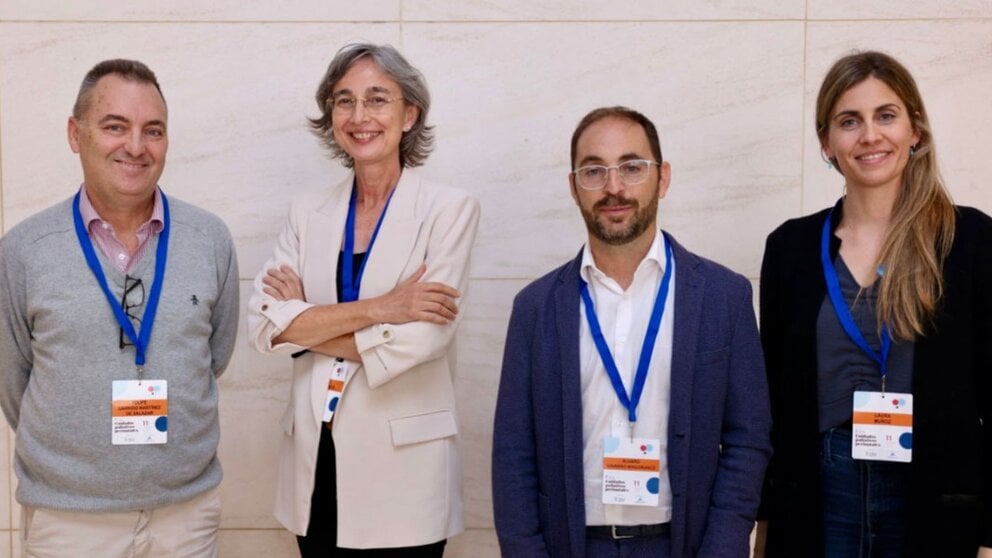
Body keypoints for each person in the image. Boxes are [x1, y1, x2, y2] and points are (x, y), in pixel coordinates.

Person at [492, 106, 772, 557]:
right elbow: (513, 452)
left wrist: (723, 547)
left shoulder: (724, 297)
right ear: (573, 187)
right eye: (594, 171)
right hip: (574, 546)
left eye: (631, 167)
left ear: (662, 178)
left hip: (683, 544)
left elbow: (748, 438)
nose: (614, 187)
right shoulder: (536, 308)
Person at [0, 59, 239, 557]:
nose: (135, 146)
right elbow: (12, 377)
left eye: (153, 130)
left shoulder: (209, 240)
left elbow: (214, 356)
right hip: (68, 520)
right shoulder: (24, 250)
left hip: (185, 517)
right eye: (115, 127)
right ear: (75, 133)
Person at [757, 51, 992, 557]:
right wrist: (765, 516)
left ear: (916, 131)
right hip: (819, 491)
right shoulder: (790, 249)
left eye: (886, 115)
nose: (869, 135)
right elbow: (771, 401)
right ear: (827, 142)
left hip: (934, 491)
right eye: (849, 121)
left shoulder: (970, 239)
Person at [247, 43, 479, 556]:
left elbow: (421, 341)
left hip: (404, 473)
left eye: (377, 99)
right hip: (315, 462)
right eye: (344, 101)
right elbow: (264, 328)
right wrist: (383, 308)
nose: (359, 116)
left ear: (409, 113)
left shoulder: (449, 209)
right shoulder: (308, 210)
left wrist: (308, 322)